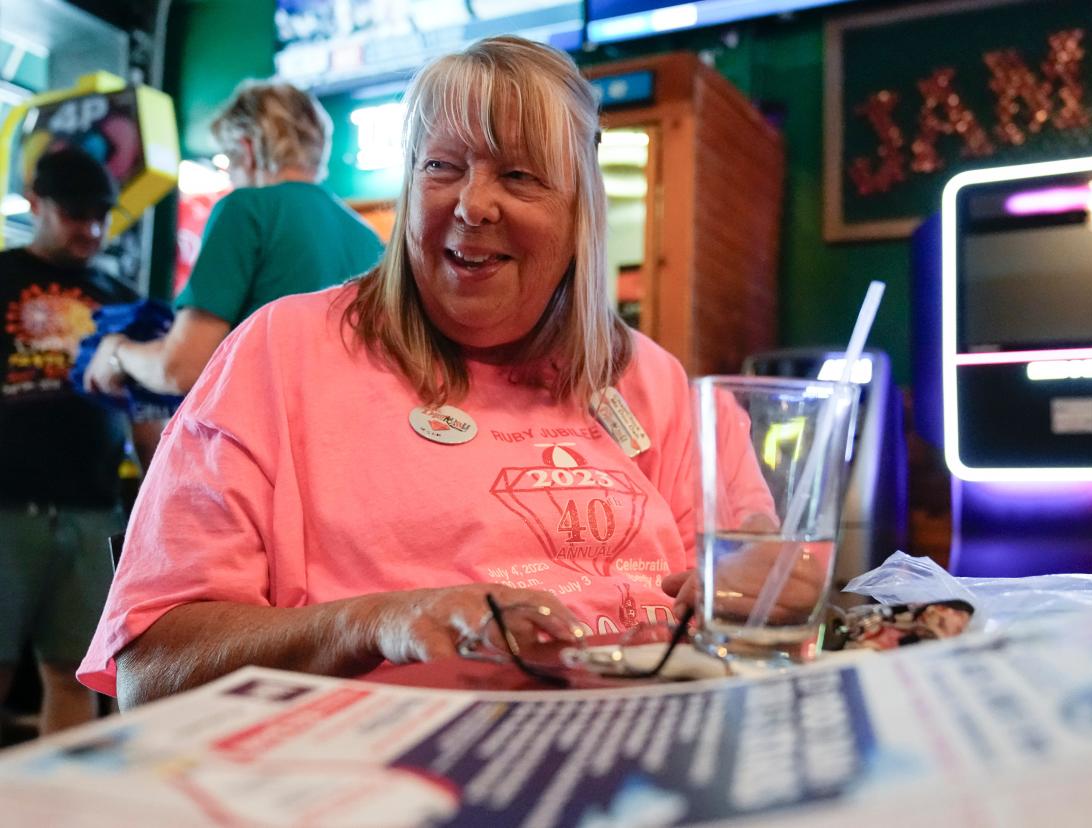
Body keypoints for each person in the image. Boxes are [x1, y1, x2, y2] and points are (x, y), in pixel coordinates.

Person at [80, 36, 775, 707]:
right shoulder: (280, 352)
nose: (472, 205)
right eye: (441, 167)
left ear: (580, 211)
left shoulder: (648, 380)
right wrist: (377, 622)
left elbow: (746, 593)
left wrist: (766, 587)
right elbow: (152, 666)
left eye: (519, 175)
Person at [83, 80, 383, 398]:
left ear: (247, 148)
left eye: (226, 159)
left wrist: (117, 352)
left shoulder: (245, 208)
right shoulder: (370, 239)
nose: (229, 174)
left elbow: (181, 369)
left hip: (265, 436)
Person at [0, 146, 133, 733]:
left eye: (101, 215)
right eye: (77, 214)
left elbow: (148, 413)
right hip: (6, 507)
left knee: (76, 673)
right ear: (36, 203)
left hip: (91, 510)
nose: (93, 229)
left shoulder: (120, 296)